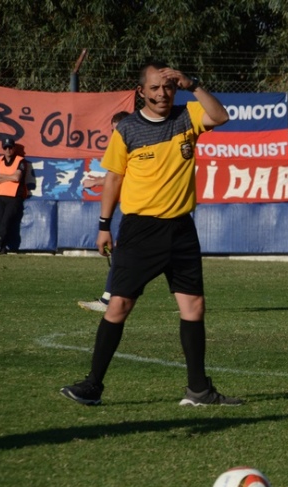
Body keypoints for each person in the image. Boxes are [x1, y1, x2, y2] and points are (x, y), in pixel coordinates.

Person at [61, 60, 241, 407]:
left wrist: (194, 84)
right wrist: (103, 225)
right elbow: (112, 179)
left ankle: (198, 391)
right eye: (155, 88)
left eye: (168, 87)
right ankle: (92, 386)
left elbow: (220, 117)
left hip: (181, 230)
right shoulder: (127, 129)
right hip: (140, 230)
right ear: (141, 91)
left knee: (194, 307)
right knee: (119, 305)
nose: (162, 93)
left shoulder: (187, 115)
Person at [78, 110, 131, 312]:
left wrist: (98, 181)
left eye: (116, 131)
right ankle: (191, 302)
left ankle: (108, 301)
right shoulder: (122, 148)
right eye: (112, 131)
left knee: (123, 253)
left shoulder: (132, 147)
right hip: (135, 210)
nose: (114, 135)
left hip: (145, 212)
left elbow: (122, 179)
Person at [0, 138, 30, 255]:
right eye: (5, 147)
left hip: (13, 196)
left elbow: (17, 178)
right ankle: (2, 247)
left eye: (10, 147)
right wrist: (9, 176)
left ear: (14, 148)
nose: (8, 150)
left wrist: (1, 177)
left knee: (5, 221)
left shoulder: (20, 161)